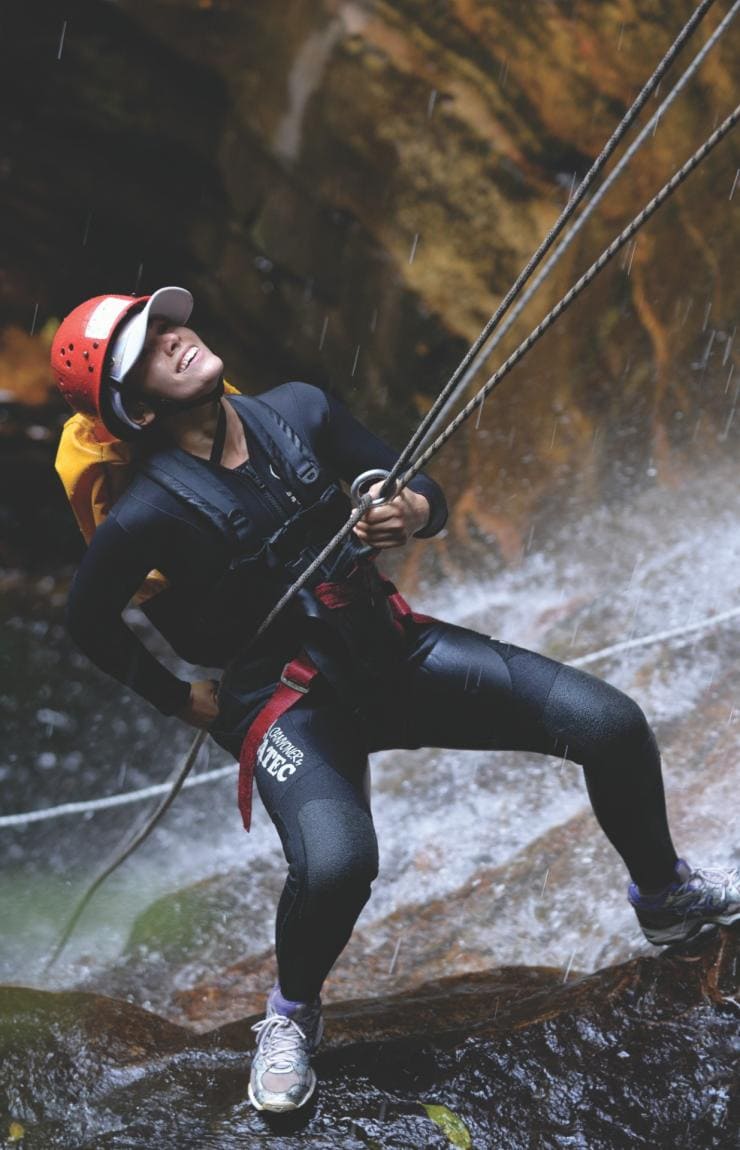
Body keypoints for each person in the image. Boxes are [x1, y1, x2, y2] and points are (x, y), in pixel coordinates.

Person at [52, 286, 740, 1114]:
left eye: (168, 322)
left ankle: (665, 899)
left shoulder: (299, 410)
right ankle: (290, 1017)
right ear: (133, 407)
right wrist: (177, 698)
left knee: (610, 724)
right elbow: (87, 622)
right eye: (146, 347)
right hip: (288, 705)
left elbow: (424, 492)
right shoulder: (146, 514)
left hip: (390, 653)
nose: (172, 338)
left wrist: (408, 510)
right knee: (339, 864)